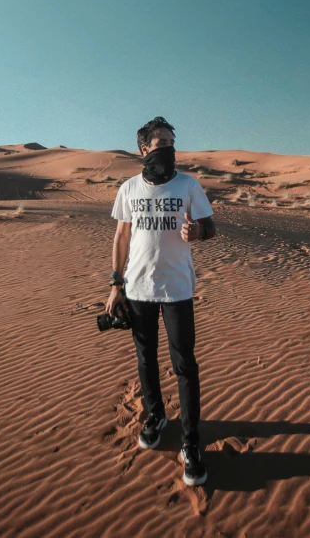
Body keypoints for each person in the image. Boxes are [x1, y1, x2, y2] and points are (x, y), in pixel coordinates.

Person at [106, 116, 216, 487]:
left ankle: (191, 442)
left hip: (177, 289)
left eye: (171, 142)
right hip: (137, 289)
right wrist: (115, 284)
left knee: (185, 365)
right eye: (160, 143)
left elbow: (211, 226)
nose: (168, 149)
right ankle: (155, 416)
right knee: (145, 358)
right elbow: (122, 236)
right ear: (144, 149)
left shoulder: (188, 184)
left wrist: (197, 231)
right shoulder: (129, 189)